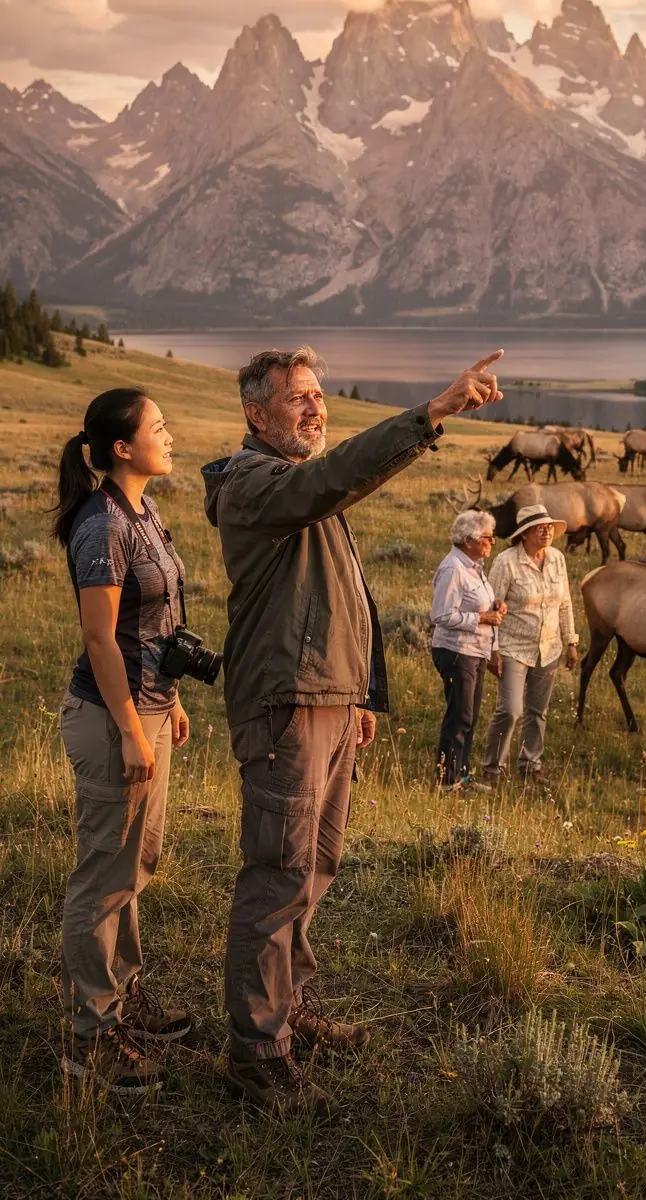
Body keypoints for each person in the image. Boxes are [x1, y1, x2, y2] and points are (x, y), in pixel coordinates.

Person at [202, 345, 504, 1115]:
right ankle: (255, 1050)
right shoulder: (256, 484)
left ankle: (287, 1006)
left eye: (319, 394)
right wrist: (429, 415)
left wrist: (363, 693)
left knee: (315, 866)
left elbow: (342, 595)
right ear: (256, 414)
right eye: (297, 398)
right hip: (288, 705)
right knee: (277, 871)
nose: (315, 407)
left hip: (330, 702)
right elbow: (329, 479)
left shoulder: (303, 489)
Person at [52, 389, 193, 1094]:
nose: (169, 435)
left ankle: (123, 997)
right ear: (120, 448)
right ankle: (91, 1038)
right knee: (103, 877)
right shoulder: (101, 525)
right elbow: (100, 639)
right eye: (157, 428)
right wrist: (135, 726)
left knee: (137, 862)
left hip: (148, 712)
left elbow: (154, 622)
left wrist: (171, 700)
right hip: (113, 721)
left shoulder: (145, 511)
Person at [482, 504, 579, 785]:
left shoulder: (557, 559)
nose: (547, 530)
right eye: (540, 527)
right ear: (523, 534)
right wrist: (493, 649)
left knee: (538, 711)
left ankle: (530, 765)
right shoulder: (506, 562)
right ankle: (492, 768)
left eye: (549, 526)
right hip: (513, 646)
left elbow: (565, 603)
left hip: (548, 648)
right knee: (511, 710)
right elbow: (493, 607)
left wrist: (570, 641)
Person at [430, 509, 506, 791]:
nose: (492, 543)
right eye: (489, 538)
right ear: (470, 540)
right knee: (459, 714)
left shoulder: (474, 566)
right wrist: (482, 618)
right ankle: (446, 780)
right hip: (456, 650)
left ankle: (460, 775)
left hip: (476, 650)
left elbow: (472, 603)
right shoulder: (453, 568)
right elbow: (441, 615)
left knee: (470, 715)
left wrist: (494, 606)